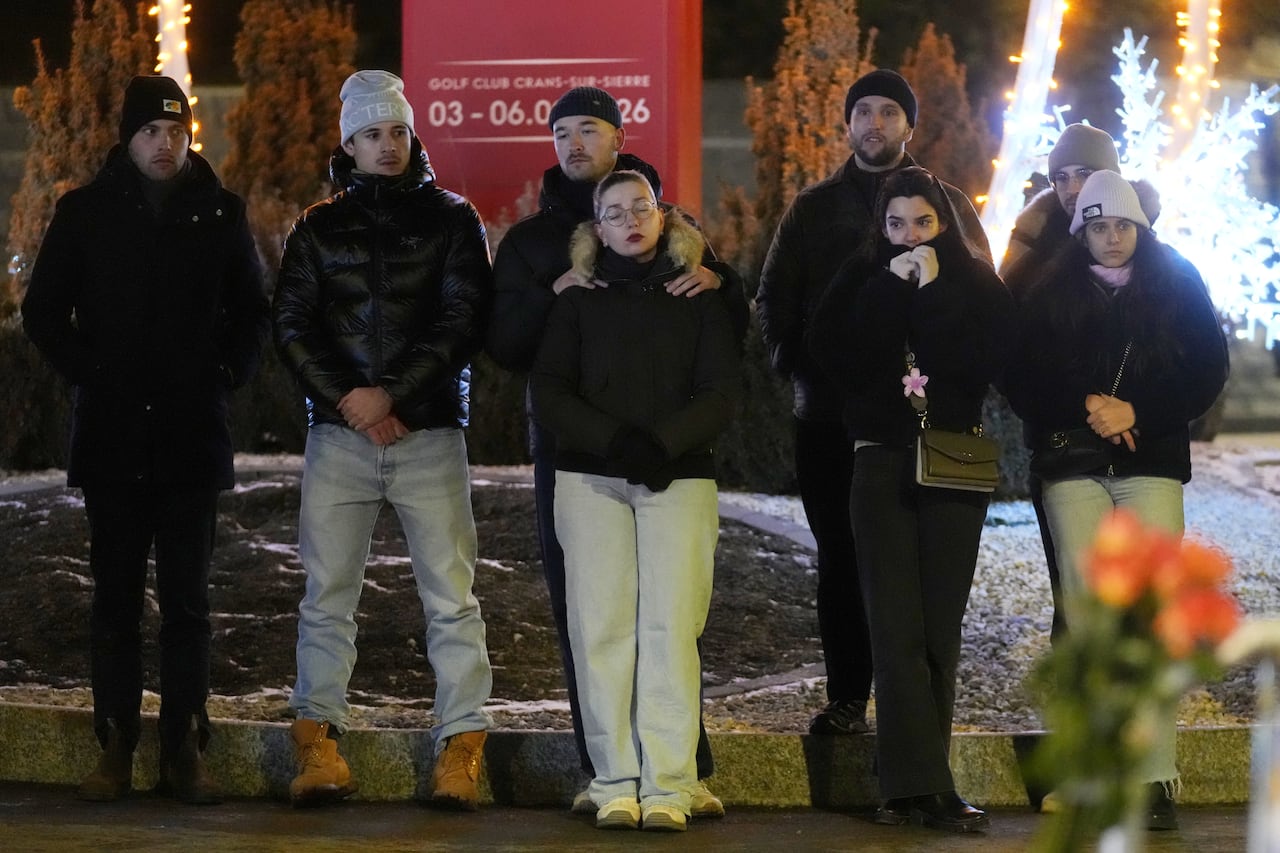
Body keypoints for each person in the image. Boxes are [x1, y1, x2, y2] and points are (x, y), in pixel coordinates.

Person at [485, 85, 746, 816]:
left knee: (670, 628)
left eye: (588, 129)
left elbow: (726, 377)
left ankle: (673, 778)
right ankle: (611, 778)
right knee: (597, 624)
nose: (574, 142)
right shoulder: (550, 263)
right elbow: (531, 370)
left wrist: (661, 442)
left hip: (677, 473)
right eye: (562, 131)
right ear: (594, 227)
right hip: (583, 468)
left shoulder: (690, 273)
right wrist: (616, 440)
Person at [21, 74, 270, 805]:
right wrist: (89, 375)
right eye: (149, 132)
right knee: (117, 600)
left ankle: (185, 747)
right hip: (114, 437)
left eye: (175, 130)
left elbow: (253, 311)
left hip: (192, 437)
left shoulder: (221, 213)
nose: (165, 144)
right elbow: (42, 311)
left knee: (189, 603)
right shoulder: (85, 213)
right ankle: (116, 744)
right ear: (127, 139)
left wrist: (226, 371)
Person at [272, 70, 494, 810]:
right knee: (326, 596)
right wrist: (353, 401)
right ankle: (317, 747)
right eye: (372, 133)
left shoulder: (453, 219)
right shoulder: (316, 227)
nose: (388, 145)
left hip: (428, 434)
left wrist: (390, 395)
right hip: (340, 437)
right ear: (350, 142)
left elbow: (463, 320)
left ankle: (461, 750)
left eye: (397, 130)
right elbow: (293, 326)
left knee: (452, 599)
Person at [757, 69, 990, 737]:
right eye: (865, 111)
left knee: (925, 568)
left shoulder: (943, 201)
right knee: (840, 556)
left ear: (909, 126)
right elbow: (776, 298)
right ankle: (849, 695)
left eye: (890, 111)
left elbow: (981, 293)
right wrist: (799, 366)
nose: (876, 123)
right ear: (848, 123)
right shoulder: (813, 208)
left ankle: (917, 710)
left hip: (920, 421)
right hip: (829, 419)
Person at [1002, 170, 1229, 830]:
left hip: (1149, 464)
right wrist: (1089, 406)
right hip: (1072, 467)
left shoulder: (1177, 283)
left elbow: (1205, 370)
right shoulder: (1050, 290)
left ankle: (1153, 775)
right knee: (1087, 614)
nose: (1111, 237)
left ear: (1141, 228)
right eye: (1098, 226)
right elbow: (1020, 375)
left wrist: (1138, 409)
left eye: (1122, 225)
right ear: (1081, 231)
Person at [998, 123, 1161, 644]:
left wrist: (1140, 409)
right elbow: (1012, 356)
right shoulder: (1030, 257)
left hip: (1143, 448)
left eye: (1084, 174)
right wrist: (1076, 402)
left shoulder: (1150, 249)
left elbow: (1186, 353)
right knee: (1073, 587)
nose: (1071, 188)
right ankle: (1076, 712)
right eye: (1061, 177)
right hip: (1061, 445)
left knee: (1140, 598)